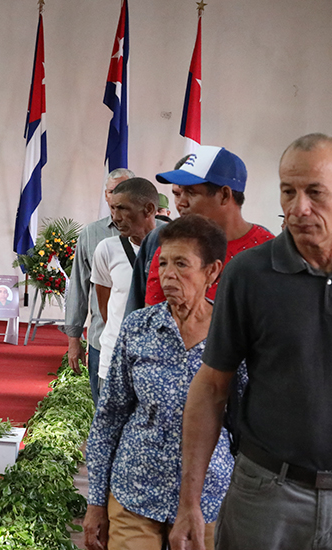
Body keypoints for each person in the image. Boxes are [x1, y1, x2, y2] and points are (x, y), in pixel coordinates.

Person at [170, 134, 332, 550]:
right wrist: (189, 501)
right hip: (268, 498)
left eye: (315, 192)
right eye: (288, 191)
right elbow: (210, 388)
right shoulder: (248, 274)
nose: (299, 208)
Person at [84, 215, 231, 550]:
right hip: (135, 491)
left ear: (212, 271)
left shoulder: (230, 333)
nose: (167, 274)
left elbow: (244, 422)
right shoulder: (138, 327)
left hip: (208, 496)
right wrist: (95, 502)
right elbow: (109, 418)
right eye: (162, 263)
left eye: (181, 264)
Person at [126, 146, 273, 315]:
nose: (181, 203)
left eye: (190, 193)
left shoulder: (268, 253)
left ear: (224, 195)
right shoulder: (169, 249)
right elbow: (150, 325)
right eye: (178, 194)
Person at [62, 168, 135, 403]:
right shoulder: (92, 234)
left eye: (124, 190)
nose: (118, 197)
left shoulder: (156, 235)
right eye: (113, 192)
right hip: (100, 340)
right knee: (102, 414)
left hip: (139, 343)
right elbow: (79, 289)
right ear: (106, 196)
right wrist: (74, 340)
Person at [91, 177, 160, 387]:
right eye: (113, 208)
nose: (115, 217)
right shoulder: (106, 249)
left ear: (148, 209)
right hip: (114, 358)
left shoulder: (174, 249)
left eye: (122, 208)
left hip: (156, 362)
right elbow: (104, 306)